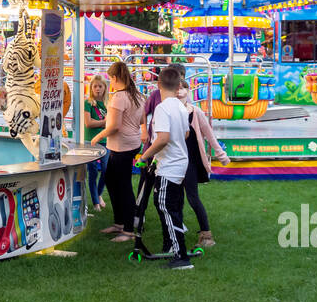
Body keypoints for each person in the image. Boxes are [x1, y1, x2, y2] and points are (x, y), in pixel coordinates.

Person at [139, 65, 195, 270]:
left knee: (165, 206)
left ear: (158, 84)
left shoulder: (163, 108)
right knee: (172, 207)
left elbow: (162, 139)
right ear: (178, 84)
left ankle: (180, 256)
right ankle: (175, 248)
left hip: (169, 165)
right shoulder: (180, 106)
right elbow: (186, 134)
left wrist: (144, 156)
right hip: (180, 162)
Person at [94, 61, 143, 240]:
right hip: (130, 143)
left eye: (110, 80)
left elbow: (114, 126)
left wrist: (98, 137)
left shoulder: (119, 97)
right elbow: (140, 119)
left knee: (122, 186)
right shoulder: (136, 95)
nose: (110, 84)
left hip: (121, 146)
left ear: (115, 78)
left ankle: (128, 230)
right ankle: (120, 222)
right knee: (112, 181)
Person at [177, 78, 227, 249]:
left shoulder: (195, 112)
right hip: (172, 162)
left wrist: (220, 154)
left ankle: (206, 234)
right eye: (177, 87)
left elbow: (209, 134)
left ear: (187, 91)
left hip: (190, 162)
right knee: (172, 199)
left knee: (192, 197)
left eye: (183, 87)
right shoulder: (168, 111)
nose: (179, 91)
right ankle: (175, 230)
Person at [82, 74, 109, 210]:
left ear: (105, 88)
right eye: (95, 86)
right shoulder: (88, 103)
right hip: (90, 141)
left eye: (100, 86)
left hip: (105, 141)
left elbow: (111, 124)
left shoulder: (108, 103)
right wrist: (104, 122)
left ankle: (98, 194)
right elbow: (88, 123)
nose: (98, 89)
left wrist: (103, 124)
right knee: (92, 171)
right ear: (91, 88)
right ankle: (95, 202)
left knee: (106, 170)